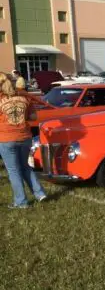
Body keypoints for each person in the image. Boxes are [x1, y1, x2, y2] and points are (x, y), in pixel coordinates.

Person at [0, 72, 47, 208]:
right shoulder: (24, 96)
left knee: (13, 170)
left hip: (6, 138)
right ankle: (40, 193)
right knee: (26, 167)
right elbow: (33, 117)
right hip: (25, 137)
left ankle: (21, 202)